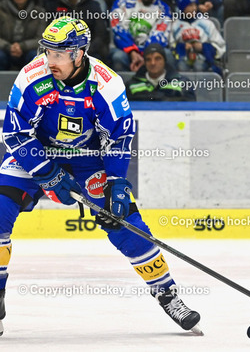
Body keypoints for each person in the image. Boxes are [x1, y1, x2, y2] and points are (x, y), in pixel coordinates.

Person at [0, 17, 201, 336]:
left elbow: (118, 138)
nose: (50, 60)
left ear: (78, 54)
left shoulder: (106, 84)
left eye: (58, 54)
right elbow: (15, 133)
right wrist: (46, 172)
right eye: (48, 52)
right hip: (37, 152)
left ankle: (167, 294)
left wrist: (117, 183)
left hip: (87, 157)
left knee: (125, 222)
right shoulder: (32, 77)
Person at [110, 0, 172, 72]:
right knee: (118, 57)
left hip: (152, 52)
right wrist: (132, 51)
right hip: (126, 50)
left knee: (167, 54)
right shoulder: (121, 3)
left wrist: (148, 56)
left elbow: (160, 33)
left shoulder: (163, 8)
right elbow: (118, 29)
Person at [45, 0, 109, 62]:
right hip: (60, 53)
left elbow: (100, 35)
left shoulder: (93, 6)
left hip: (88, 52)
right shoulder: (53, 6)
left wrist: (83, 52)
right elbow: (48, 33)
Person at [171, 0, 225, 73]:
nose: (194, 8)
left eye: (195, 5)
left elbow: (220, 46)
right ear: (182, 7)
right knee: (181, 67)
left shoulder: (206, 23)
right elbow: (171, 46)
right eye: (190, 5)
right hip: (182, 58)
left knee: (199, 66)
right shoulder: (175, 25)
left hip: (203, 58)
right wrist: (182, 47)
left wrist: (203, 47)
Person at [0, 0, 47, 70]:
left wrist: (22, 46)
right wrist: (8, 47)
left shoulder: (39, 12)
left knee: (36, 56)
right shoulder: (1, 9)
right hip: (6, 50)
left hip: (28, 51)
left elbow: (41, 38)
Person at [126, 42, 196, 101]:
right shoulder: (132, 84)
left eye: (157, 59)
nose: (153, 63)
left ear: (164, 61)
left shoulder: (182, 82)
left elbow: (191, 109)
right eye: (148, 59)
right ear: (144, 63)